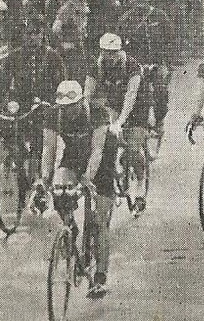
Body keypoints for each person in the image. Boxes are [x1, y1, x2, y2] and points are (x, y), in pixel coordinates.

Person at [34, 79, 117, 298]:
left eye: (71, 107)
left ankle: (100, 277)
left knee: (99, 220)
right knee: (59, 189)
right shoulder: (53, 114)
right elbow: (49, 151)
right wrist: (44, 180)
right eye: (63, 108)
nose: (67, 112)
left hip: (102, 162)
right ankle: (70, 230)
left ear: (81, 102)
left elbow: (98, 150)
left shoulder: (97, 113)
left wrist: (88, 180)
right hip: (72, 158)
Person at [88, 33, 150, 215]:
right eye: (106, 52)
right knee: (105, 141)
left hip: (138, 107)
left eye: (114, 52)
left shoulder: (132, 66)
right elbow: (87, 95)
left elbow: (130, 97)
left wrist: (120, 122)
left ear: (120, 51)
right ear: (101, 52)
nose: (110, 57)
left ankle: (140, 183)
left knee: (132, 149)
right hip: (113, 104)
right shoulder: (97, 66)